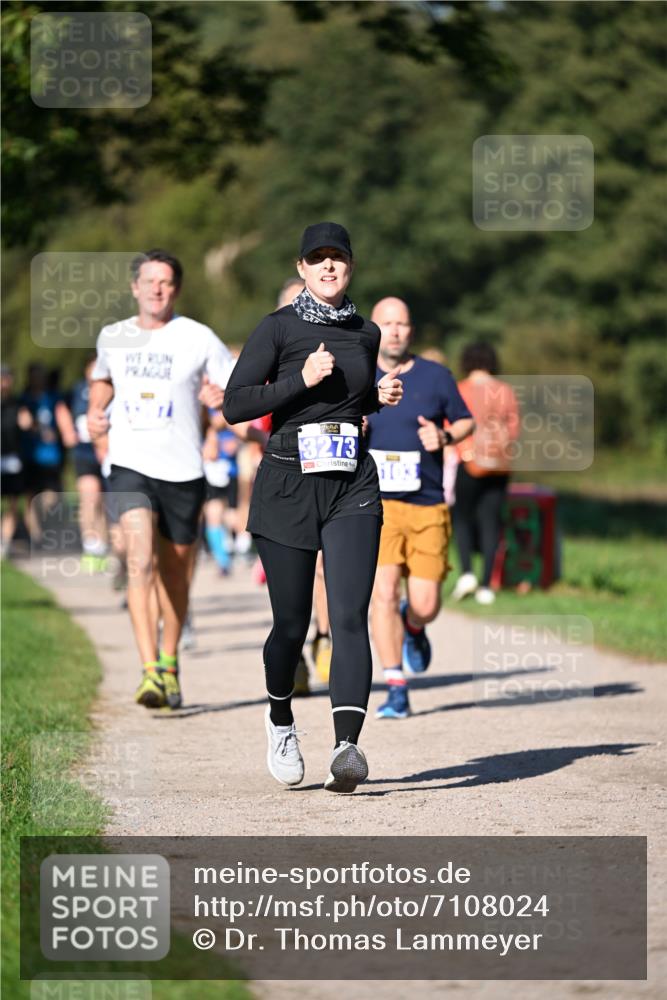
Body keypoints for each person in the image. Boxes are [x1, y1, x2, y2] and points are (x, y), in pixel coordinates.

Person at [223, 222, 402, 793]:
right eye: (317, 259)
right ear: (301, 268)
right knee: (291, 624)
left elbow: (350, 398)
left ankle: (347, 748)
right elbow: (235, 405)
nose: (328, 267)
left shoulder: (365, 332)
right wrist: (298, 378)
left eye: (338, 259)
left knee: (349, 616)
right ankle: (280, 721)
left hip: (352, 483)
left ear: (350, 267)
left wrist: (379, 395)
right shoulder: (278, 327)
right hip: (286, 485)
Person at [87, 248, 235, 710]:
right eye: (149, 281)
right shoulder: (114, 336)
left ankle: (170, 661)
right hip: (130, 463)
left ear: (176, 289)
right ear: (135, 287)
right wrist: (95, 412)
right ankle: (149, 669)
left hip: (183, 469)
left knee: (175, 575)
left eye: (165, 282)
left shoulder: (198, 337)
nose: (156, 289)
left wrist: (219, 398)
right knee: (140, 560)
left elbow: (233, 393)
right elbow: (103, 380)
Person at [367, 298, 474, 719]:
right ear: (373, 327)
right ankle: (395, 685)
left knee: (425, 603)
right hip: (376, 506)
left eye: (402, 324)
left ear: (411, 331)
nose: (394, 330)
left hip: (427, 504)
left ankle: (414, 627)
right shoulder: (358, 375)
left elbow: (466, 421)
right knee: (383, 594)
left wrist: (446, 438)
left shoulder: (436, 377)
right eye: (386, 323)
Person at [450, 341, 520, 605]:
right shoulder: (505, 391)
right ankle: (487, 585)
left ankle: (467, 572)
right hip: (499, 465)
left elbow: (451, 425)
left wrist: (463, 450)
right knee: (491, 522)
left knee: (463, 518)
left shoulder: (461, 390)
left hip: (468, 463)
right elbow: (513, 430)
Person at [20, 362, 77, 544]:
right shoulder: (24, 399)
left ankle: (43, 525)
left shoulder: (53, 397)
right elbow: (21, 422)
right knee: (30, 496)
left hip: (51, 455)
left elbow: (63, 419)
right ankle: (35, 536)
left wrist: (65, 433)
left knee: (52, 496)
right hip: (29, 454)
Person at [70, 356, 109, 572]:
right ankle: (90, 544)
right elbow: (61, 407)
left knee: (104, 502)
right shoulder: (77, 389)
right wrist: (67, 429)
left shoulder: (113, 389)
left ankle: (101, 546)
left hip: (106, 452)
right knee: (90, 497)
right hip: (84, 452)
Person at [1, 366, 32, 556]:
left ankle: (4, 542)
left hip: (12, 458)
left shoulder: (17, 404)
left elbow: (26, 424)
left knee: (12, 502)